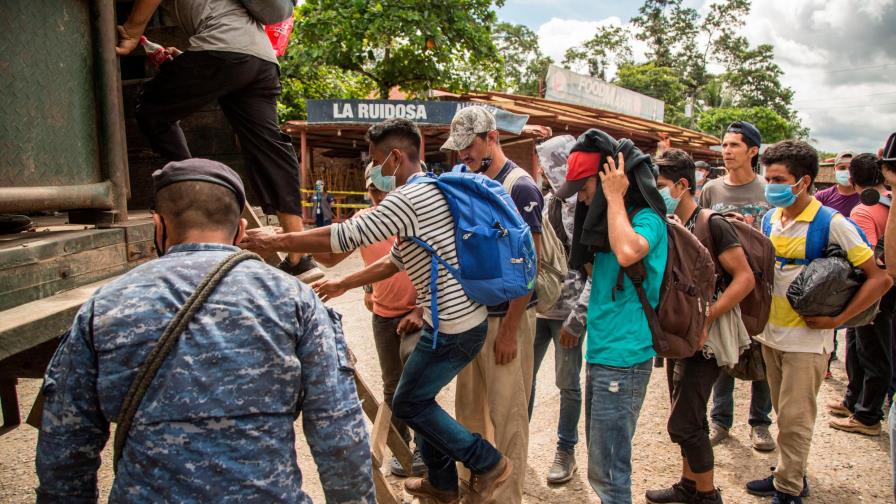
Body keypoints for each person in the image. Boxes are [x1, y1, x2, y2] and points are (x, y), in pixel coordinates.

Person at [35, 159, 374, 502]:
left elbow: (65, 447)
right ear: (242, 231)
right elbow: (339, 434)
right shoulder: (293, 299)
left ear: (157, 225)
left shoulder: (105, 305)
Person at [242, 118, 512, 504]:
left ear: (395, 158)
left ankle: (487, 462)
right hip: (454, 321)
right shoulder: (428, 191)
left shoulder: (407, 199)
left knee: (408, 403)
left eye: (376, 161)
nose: (374, 171)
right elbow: (395, 259)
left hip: (453, 328)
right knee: (420, 400)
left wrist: (279, 238)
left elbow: (342, 236)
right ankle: (443, 483)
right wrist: (344, 284)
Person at [115, 0, 323, 282]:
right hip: (260, 59)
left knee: (152, 110)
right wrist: (190, 58)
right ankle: (299, 256)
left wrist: (131, 30)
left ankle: (195, 184)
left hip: (222, 49)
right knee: (269, 147)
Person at [745, 140, 892, 504]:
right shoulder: (770, 219)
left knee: (796, 419)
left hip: (806, 344)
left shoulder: (832, 222)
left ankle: (789, 490)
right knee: (783, 415)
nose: (771, 186)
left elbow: (880, 278)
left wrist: (837, 321)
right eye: (768, 178)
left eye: (778, 178)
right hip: (771, 337)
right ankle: (789, 473)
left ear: (804, 180)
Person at [554, 136, 667, 504]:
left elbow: (628, 252)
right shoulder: (606, 224)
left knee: (610, 472)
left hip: (624, 359)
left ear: (609, 179)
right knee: (601, 467)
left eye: (584, 188)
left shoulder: (646, 218)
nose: (580, 198)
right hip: (604, 355)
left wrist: (615, 196)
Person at [441, 106, 543, 504]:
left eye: (469, 145)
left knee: (508, 417)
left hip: (508, 320)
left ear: (492, 137)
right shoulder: (467, 180)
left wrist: (511, 331)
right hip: (474, 320)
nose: (463, 154)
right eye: (459, 148)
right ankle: (474, 490)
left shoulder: (520, 187)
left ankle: (508, 498)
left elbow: (530, 267)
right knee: (468, 412)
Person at [646, 149, 756, 504]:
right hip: (679, 336)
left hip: (705, 340)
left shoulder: (714, 224)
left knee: (684, 421)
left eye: (660, 185)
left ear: (682, 185)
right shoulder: (668, 225)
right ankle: (688, 485)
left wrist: (708, 316)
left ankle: (707, 495)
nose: (656, 192)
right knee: (688, 412)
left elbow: (744, 279)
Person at [312, 165, 426, 477]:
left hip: (420, 311)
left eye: (379, 187)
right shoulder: (364, 222)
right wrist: (295, 244)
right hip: (383, 314)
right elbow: (331, 256)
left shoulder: (414, 215)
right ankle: (401, 447)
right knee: (393, 385)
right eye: (372, 189)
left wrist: (423, 310)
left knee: (416, 379)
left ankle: (424, 450)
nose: (374, 194)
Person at [699, 121, 775, 451]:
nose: (727, 152)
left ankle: (760, 423)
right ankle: (720, 420)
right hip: (724, 284)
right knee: (724, 348)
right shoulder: (712, 189)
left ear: (753, 151)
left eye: (734, 146)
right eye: (724, 146)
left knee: (761, 351)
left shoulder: (768, 189)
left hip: (760, 285)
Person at [529, 135, 588, 484]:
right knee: (523, 378)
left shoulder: (586, 205)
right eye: (542, 163)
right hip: (537, 308)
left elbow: (593, 267)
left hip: (568, 313)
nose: (547, 170)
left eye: (552, 162)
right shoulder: (546, 200)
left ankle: (566, 450)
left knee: (567, 384)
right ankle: (515, 440)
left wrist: (578, 318)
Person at [827, 153, 894, 436]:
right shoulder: (889, 201)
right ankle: (853, 401)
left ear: (853, 179)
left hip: (874, 291)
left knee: (873, 351)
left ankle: (867, 415)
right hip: (885, 289)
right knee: (858, 345)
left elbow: (868, 257)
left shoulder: (864, 211)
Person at [814, 151, 860, 216]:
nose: (847, 171)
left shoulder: (866, 197)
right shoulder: (821, 197)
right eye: (842, 168)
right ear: (834, 170)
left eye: (851, 168)